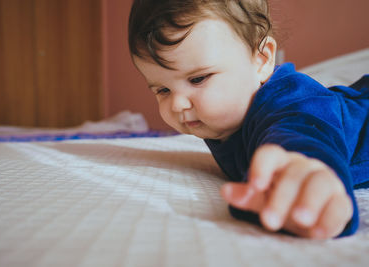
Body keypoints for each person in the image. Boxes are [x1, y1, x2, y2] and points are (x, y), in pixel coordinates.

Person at [128, 0, 369, 239]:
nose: (177, 104)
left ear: (262, 60)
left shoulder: (292, 101)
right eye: (162, 90)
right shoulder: (222, 121)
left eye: (198, 79)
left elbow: (303, 131)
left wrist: (303, 171)